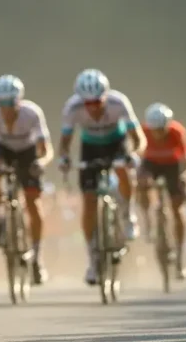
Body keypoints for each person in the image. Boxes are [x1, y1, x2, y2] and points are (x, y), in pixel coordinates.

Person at [57, 69, 145, 285]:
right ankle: (93, 258)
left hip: (117, 143)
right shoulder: (72, 107)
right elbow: (65, 143)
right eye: (89, 103)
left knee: (124, 171)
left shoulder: (119, 102)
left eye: (98, 102)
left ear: (106, 96)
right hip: (90, 148)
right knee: (88, 201)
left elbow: (139, 139)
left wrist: (134, 154)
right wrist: (65, 159)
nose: (94, 107)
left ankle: (127, 214)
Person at [0, 74, 53, 284]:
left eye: (11, 103)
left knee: (33, 204)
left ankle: (37, 256)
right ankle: (0, 218)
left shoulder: (32, 113)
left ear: (19, 100)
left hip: (28, 151)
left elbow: (46, 150)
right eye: (2, 103)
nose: (7, 109)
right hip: (2, 148)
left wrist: (41, 163)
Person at [138, 102, 186, 279]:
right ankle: (147, 220)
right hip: (150, 164)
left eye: (161, 130)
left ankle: (179, 255)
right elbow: (136, 155)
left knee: (176, 209)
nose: (158, 134)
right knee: (140, 182)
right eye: (155, 130)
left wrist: (185, 176)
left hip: (172, 166)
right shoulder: (143, 131)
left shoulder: (177, 132)